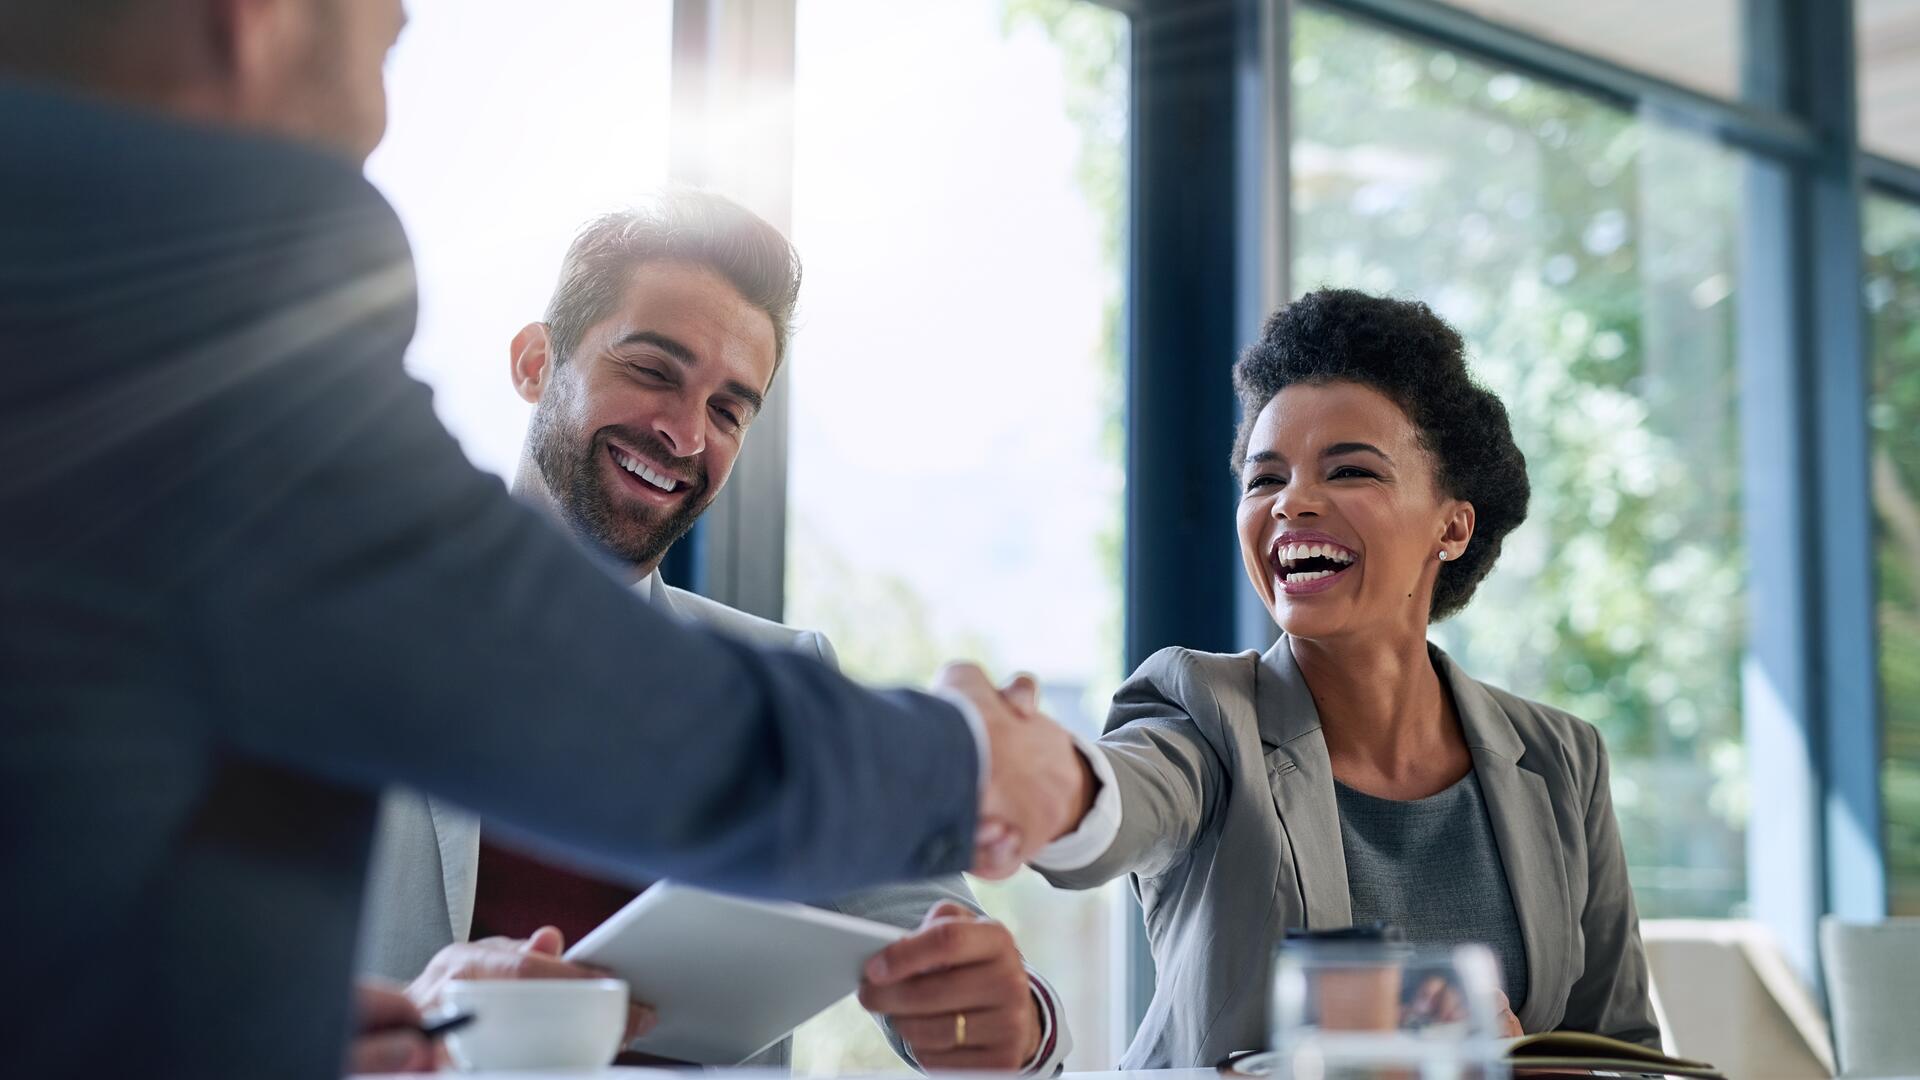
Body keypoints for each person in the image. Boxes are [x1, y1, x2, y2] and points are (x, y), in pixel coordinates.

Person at [0, 3, 1095, 1077]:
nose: (683, 429)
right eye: (385, 35)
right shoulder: (217, 330)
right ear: (260, 19)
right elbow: (592, 702)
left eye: (731, 408)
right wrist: (973, 758)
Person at [358, 199, 1073, 1074]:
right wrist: (419, 1014)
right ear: (537, 363)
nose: (686, 433)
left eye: (730, 410)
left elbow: (940, 937)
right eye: (655, 370)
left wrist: (1013, 1022)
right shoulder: (354, 624)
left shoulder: (787, 675)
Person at [1034, 289, 1659, 1066]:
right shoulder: (1201, 714)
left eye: (1351, 470)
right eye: (1265, 480)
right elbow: (1115, 802)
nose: (1292, 502)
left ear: (1452, 526)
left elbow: (1621, 1050)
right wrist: (1034, 778)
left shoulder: (1563, 757)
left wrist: (1513, 1067)